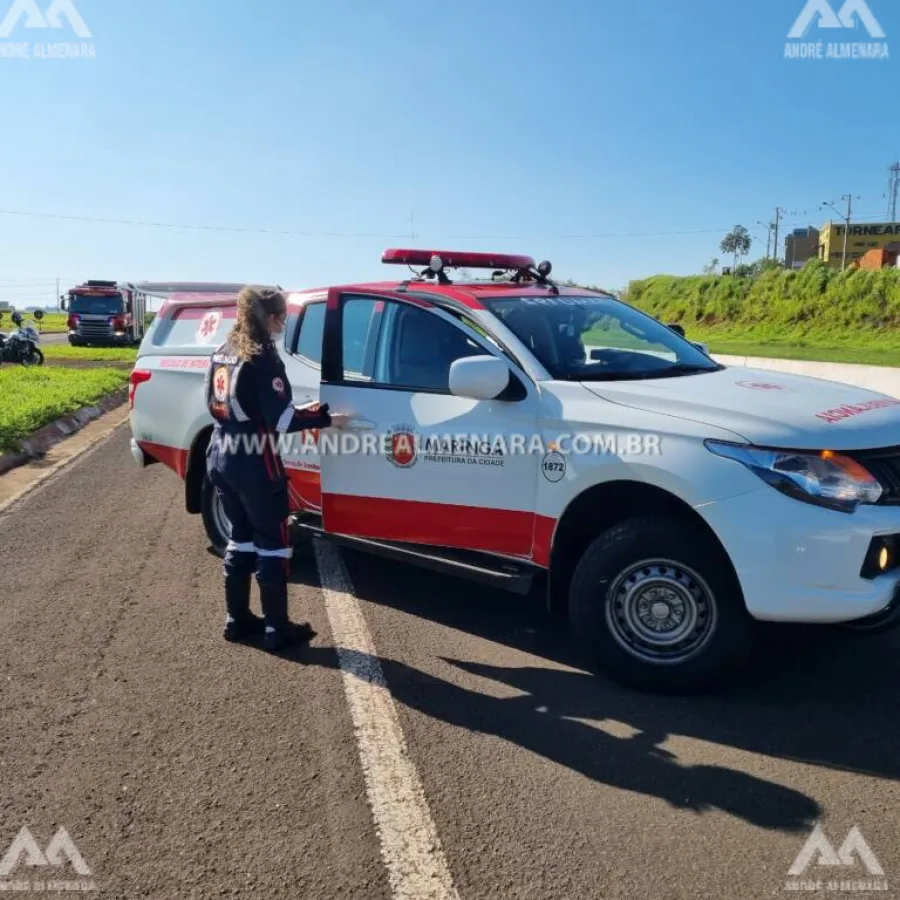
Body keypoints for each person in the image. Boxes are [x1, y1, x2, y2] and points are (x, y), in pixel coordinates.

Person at [204, 285, 346, 651]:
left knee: (240, 536)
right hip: (255, 459)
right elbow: (281, 419)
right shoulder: (263, 357)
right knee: (273, 544)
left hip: (220, 451)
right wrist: (325, 416)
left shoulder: (224, 350)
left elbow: (219, 404)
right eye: (281, 316)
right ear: (268, 317)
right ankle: (277, 628)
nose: (284, 321)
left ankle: (236, 620)